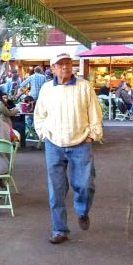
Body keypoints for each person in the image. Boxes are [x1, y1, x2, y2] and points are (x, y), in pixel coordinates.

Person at [34, 52, 103, 244]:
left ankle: (82, 211)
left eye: (68, 63)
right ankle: (59, 229)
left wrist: (92, 135)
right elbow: (39, 115)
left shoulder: (84, 87)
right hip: (53, 144)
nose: (65, 67)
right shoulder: (47, 89)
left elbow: (95, 113)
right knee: (56, 189)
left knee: (85, 185)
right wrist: (43, 133)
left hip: (81, 142)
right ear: (53, 69)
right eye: (60, 64)